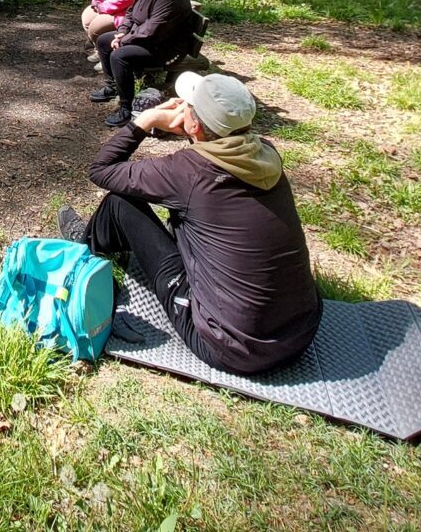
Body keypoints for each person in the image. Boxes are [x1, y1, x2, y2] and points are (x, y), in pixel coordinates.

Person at [59, 73, 322, 375]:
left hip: (230, 346)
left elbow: (101, 170)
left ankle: (84, 248)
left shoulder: (188, 172)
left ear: (194, 124)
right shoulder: (266, 152)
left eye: (188, 104)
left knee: (120, 202)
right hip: (302, 330)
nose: (181, 105)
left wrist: (145, 121)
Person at [92, 0, 194, 127]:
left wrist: (124, 40)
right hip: (147, 40)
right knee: (103, 41)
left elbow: (153, 29)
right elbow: (131, 14)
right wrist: (122, 32)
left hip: (165, 48)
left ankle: (126, 108)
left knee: (119, 56)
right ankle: (112, 87)